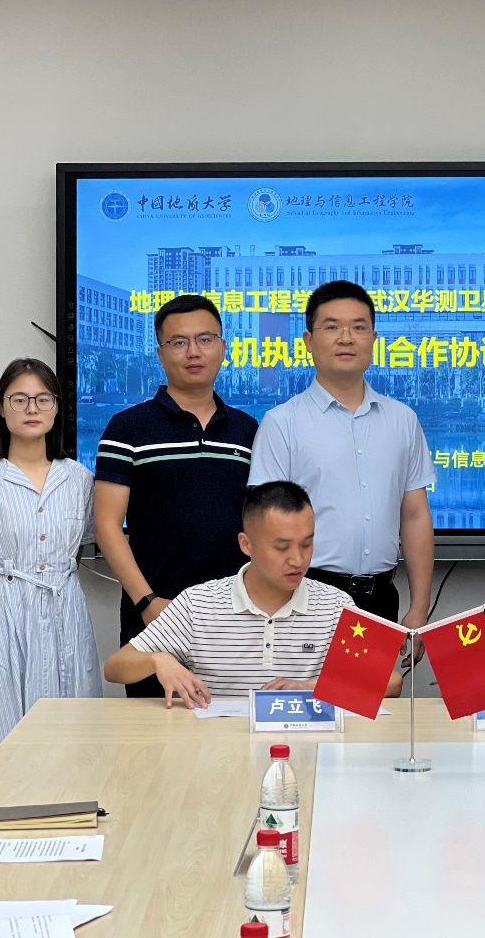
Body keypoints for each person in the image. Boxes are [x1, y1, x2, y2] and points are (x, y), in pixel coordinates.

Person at [248, 280, 435, 651]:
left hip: (380, 600)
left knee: (380, 692)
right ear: (308, 340)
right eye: (332, 327)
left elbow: (415, 516)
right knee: (302, 691)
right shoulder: (281, 423)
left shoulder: (402, 420)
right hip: (303, 601)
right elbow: (264, 527)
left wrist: (419, 607)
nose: (346, 338)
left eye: (358, 327)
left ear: (374, 339)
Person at [103, 481, 403, 705]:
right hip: (218, 753)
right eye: (282, 547)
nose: (298, 559)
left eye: (307, 544)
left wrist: (310, 686)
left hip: (308, 748)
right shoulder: (199, 603)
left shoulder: (335, 605)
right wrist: (158, 661)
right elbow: (115, 668)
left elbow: (392, 682)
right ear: (246, 545)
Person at [0, 358, 101, 789]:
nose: (32, 408)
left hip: (66, 610)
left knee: (72, 731)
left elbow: (85, 548)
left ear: (56, 408)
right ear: (1, 408)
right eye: (19, 399)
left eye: (42, 399)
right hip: (3, 615)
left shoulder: (80, 479)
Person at [94, 294, 258, 697]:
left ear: (223, 347)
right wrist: (147, 602)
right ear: (160, 353)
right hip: (157, 614)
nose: (193, 352)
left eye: (205, 339)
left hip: (235, 619)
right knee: (155, 729)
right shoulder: (127, 427)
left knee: (235, 728)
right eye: (179, 342)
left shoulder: (248, 431)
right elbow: (107, 525)